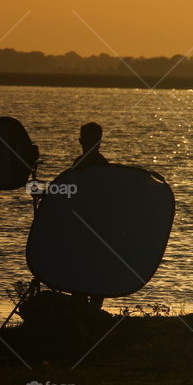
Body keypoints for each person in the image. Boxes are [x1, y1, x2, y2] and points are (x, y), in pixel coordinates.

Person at [71, 121, 108, 311]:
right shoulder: (79, 163)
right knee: (80, 270)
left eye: (90, 140)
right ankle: (83, 309)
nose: (87, 144)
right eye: (86, 140)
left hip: (95, 227)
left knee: (92, 270)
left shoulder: (102, 166)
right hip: (82, 227)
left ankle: (91, 310)